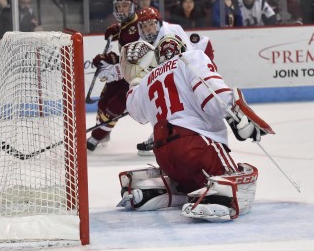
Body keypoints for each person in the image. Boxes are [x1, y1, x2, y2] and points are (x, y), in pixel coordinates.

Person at [117, 34, 274, 221]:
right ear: (183, 49)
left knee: (189, 180)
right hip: (196, 145)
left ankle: (157, 191)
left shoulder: (149, 78)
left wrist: (134, 82)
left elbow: (136, 111)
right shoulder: (191, 58)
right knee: (236, 180)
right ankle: (217, 198)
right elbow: (213, 95)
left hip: (164, 156)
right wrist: (236, 114)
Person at [134, 7, 216, 156]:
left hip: (184, 73)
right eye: (144, 26)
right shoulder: (141, 45)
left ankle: (199, 127)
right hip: (167, 78)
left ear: (158, 23)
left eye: (151, 24)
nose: (148, 29)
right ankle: (159, 134)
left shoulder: (172, 30)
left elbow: (187, 54)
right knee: (161, 103)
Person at [87, 0, 140, 151]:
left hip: (137, 76)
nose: (121, 9)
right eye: (118, 6)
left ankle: (96, 136)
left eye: (125, 5)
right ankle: (103, 131)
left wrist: (111, 60)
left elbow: (136, 60)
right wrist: (117, 34)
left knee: (115, 106)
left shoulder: (138, 27)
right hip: (125, 71)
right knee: (104, 100)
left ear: (132, 6)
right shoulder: (126, 24)